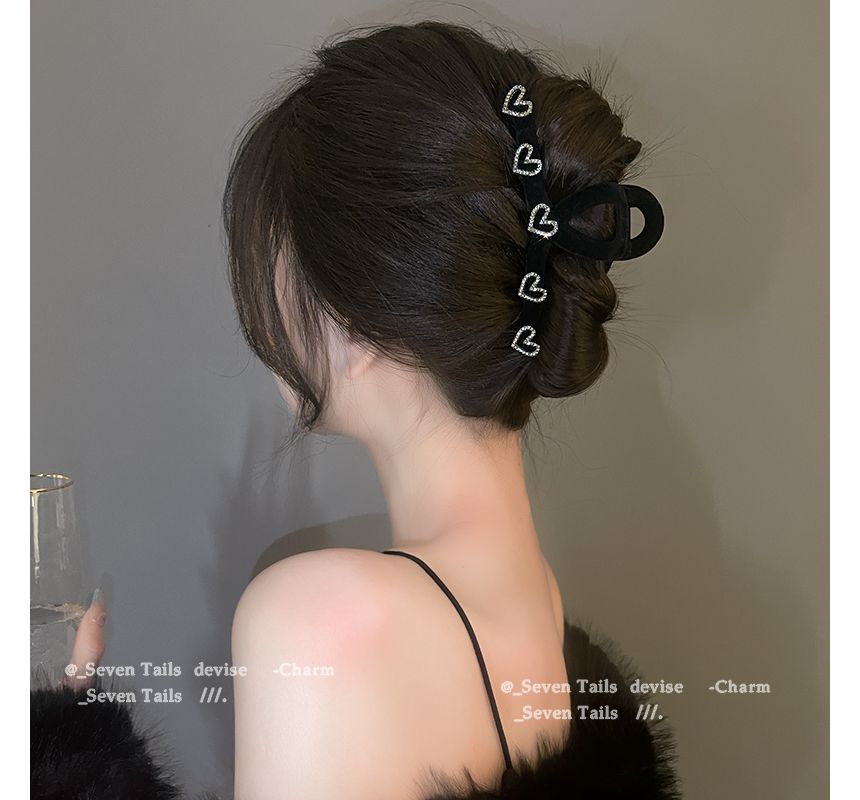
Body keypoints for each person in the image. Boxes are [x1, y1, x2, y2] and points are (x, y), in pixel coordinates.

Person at [32, 20, 680, 800]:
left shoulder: (326, 625)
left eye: (275, 259)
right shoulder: (530, 597)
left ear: (358, 324)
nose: (264, 303)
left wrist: (52, 756)